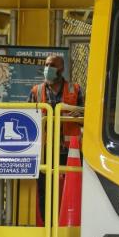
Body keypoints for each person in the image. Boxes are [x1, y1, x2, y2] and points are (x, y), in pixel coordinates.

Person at [28, 55, 84, 225]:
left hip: (69, 151)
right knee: (44, 189)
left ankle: (69, 225)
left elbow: (88, 115)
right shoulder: (36, 91)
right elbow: (28, 117)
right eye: (46, 65)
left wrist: (79, 114)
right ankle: (48, 226)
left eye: (52, 65)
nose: (47, 68)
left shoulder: (76, 89)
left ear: (61, 69)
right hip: (44, 150)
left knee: (72, 188)